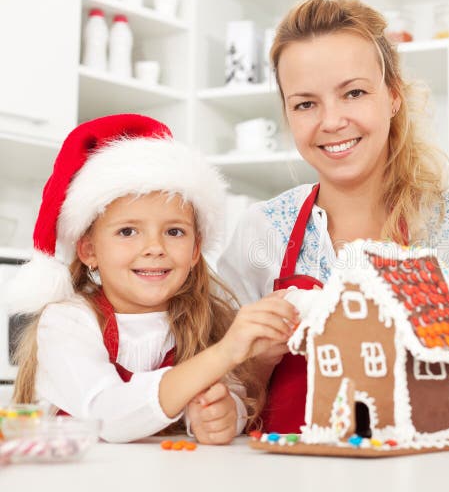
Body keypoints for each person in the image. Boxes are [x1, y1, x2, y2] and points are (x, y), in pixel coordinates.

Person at [218, 0, 449, 433]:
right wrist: (255, 363)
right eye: (305, 104)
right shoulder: (261, 232)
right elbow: (228, 392)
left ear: (392, 97)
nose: (331, 121)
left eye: (353, 93)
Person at [8, 114, 297, 443]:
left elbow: (229, 395)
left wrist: (223, 414)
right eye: (128, 231)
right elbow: (107, 417)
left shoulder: (206, 319)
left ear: (194, 250)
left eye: (174, 231)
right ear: (88, 249)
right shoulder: (67, 322)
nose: (155, 248)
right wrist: (225, 353)